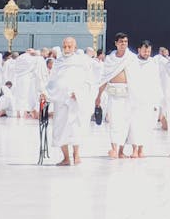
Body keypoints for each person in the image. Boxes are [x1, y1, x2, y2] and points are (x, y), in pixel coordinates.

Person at [45, 36, 92, 167]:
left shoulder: (81, 62)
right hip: (61, 100)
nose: (67, 49)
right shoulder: (59, 61)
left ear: (75, 47)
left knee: (75, 127)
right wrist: (46, 93)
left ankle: (76, 155)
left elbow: (88, 81)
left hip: (76, 100)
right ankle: (66, 158)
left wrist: (79, 93)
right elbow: (52, 80)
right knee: (60, 128)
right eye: (64, 46)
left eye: (69, 46)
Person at [96, 32, 137, 158]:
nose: (123, 44)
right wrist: (98, 97)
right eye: (121, 42)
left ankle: (121, 151)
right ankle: (114, 148)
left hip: (128, 94)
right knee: (114, 121)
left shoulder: (132, 58)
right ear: (116, 43)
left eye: (125, 41)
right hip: (114, 94)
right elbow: (104, 78)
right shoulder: (110, 59)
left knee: (125, 122)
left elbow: (138, 78)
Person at [126, 40, 162, 158]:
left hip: (148, 101)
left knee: (146, 126)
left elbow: (157, 82)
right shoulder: (132, 62)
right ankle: (134, 150)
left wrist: (158, 101)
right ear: (139, 50)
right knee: (134, 126)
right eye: (144, 50)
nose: (146, 53)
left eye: (148, 51)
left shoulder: (153, 63)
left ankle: (141, 149)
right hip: (134, 100)